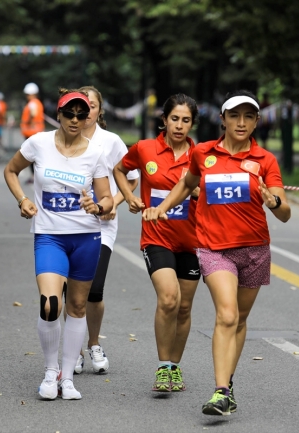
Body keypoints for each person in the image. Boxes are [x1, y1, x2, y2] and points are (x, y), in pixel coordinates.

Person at [142, 90, 291, 415]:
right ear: (222, 119)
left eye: (248, 116)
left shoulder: (265, 160)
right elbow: (185, 183)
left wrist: (274, 201)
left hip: (254, 249)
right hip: (213, 249)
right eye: (234, 116)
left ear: (255, 122)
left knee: (239, 320)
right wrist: (162, 208)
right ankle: (221, 391)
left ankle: (229, 383)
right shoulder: (205, 154)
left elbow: (284, 211)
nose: (241, 122)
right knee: (226, 314)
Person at [3, 88, 114, 400]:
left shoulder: (95, 152)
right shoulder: (38, 143)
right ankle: (51, 372)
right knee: (51, 304)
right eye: (70, 114)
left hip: (86, 238)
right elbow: (11, 171)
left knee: (78, 306)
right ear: (60, 114)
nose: (76, 119)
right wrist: (23, 199)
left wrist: (99, 207)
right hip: (50, 237)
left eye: (82, 114)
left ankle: (68, 378)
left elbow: (106, 197)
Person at [113, 94, 201, 393]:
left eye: (185, 120)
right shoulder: (145, 149)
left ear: (192, 124)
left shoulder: (201, 156)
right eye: (174, 119)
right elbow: (119, 170)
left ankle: (175, 368)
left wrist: (199, 193)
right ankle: (163, 367)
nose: (179, 126)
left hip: (193, 241)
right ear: (164, 120)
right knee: (169, 299)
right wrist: (129, 197)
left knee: (185, 307)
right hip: (157, 237)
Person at [66, 85, 139, 375]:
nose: (86, 112)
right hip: (66, 224)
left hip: (101, 225)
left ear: (99, 110)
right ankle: (76, 350)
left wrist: (115, 203)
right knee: (69, 291)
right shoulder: (63, 139)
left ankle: (94, 343)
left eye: (92, 106)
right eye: (81, 107)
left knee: (93, 290)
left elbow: (131, 178)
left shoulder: (111, 142)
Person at [20, 82, 45, 184]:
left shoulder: (33, 103)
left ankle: (34, 176)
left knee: (32, 156)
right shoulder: (37, 102)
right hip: (35, 131)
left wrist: (29, 120)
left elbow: (33, 113)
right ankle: (35, 176)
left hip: (31, 132)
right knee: (35, 155)